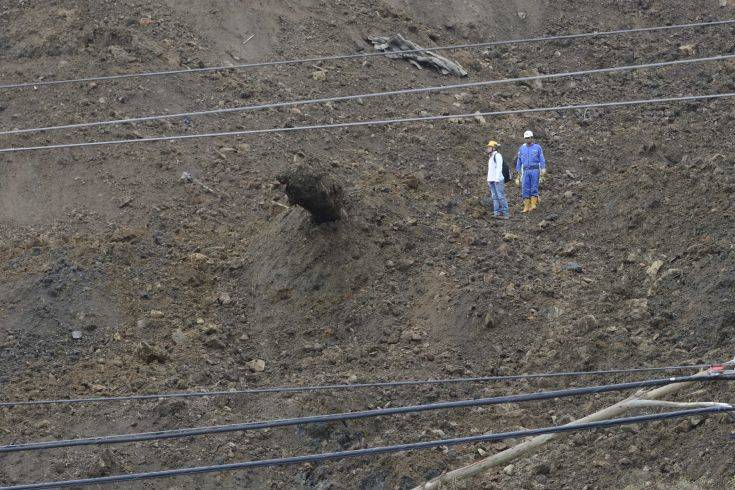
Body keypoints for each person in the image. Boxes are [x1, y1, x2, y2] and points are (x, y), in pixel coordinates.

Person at [515, 130, 547, 213]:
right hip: (525, 170)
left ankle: (533, 204)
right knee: (525, 188)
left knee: (534, 186)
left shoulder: (537, 147)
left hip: (535, 170)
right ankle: (526, 206)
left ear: (532, 138)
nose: (528, 139)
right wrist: (518, 172)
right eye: (526, 138)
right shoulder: (522, 148)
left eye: (529, 138)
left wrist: (543, 168)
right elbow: (519, 160)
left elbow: (541, 158)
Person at [486, 140, 509, 220]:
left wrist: (496, 179)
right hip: (492, 180)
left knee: (500, 196)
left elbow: (499, 168)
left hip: (498, 180)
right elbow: (490, 170)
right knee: (495, 197)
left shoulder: (497, 156)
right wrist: (489, 180)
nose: (488, 148)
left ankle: (505, 213)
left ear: (494, 148)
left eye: (489, 147)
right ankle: (497, 213)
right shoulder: (491, 157)